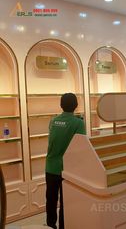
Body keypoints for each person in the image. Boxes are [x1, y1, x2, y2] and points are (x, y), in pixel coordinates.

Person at [45, 93, 86, 229]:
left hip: (50, 167)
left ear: (61, 105)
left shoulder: (53, 121)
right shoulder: (78, 123)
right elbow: (81, 146)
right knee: (65, 201)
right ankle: (63, 226)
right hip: (67, 169)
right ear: (76, 106)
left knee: (51, 199)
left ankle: (50, 225)